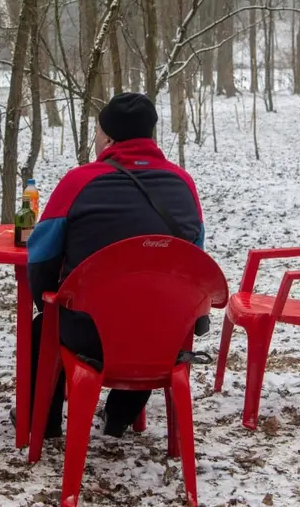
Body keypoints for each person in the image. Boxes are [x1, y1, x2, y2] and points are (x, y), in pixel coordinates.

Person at [25, 92, 206, 439]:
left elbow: (41, 256)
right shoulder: (184, 185)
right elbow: (194, 259)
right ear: (150, 136)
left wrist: (46, 302)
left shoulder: (78, 182)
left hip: (90, 331)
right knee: (151, 311)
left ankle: (43, 423)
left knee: (44, 327)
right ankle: (119, 417)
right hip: (165, 333)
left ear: (107, 137)